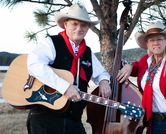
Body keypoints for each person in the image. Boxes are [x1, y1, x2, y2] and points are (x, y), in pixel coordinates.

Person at [26, 4, 111, 134]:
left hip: (73, 119)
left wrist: (104, 81)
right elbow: (34, 64)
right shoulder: (51, 43)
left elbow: (101, 73)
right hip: (45, 118)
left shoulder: (87, 52)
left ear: (88, 28)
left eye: (83, 25)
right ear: (65, 24)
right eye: (74, 24)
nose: (79, 28)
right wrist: (64, 87)